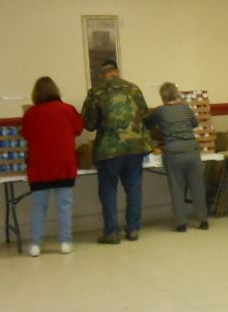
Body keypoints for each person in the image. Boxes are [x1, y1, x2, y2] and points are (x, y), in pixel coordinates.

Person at [81, 59, 153, 244]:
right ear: (117, 71)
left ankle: (112, 233)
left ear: (102, 73)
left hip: (109, 149)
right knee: (134, 188)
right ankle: (133, 230)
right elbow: (145, 115)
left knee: (108, 190)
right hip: (136, 147)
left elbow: (89, 124)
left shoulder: (96, 91)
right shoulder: (134, 88)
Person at [20, 76, 84, 256]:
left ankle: (35, 245)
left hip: (39, 167)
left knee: (38, 207)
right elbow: (79, 129)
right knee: (64, 205)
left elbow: (25, 134)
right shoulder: (67, 109)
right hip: (64, 164)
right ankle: (65, 242)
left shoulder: (31, 114)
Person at [144, 82, 209, 232]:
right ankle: (203, 220)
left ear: (162, 97)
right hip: (192, 151)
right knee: (197, 186)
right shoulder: (186, 108)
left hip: (173, 152)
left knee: (177, 188)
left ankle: (181, 223)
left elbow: (148, 124)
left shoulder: (160, 111)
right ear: (177, 94)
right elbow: (194, 123)